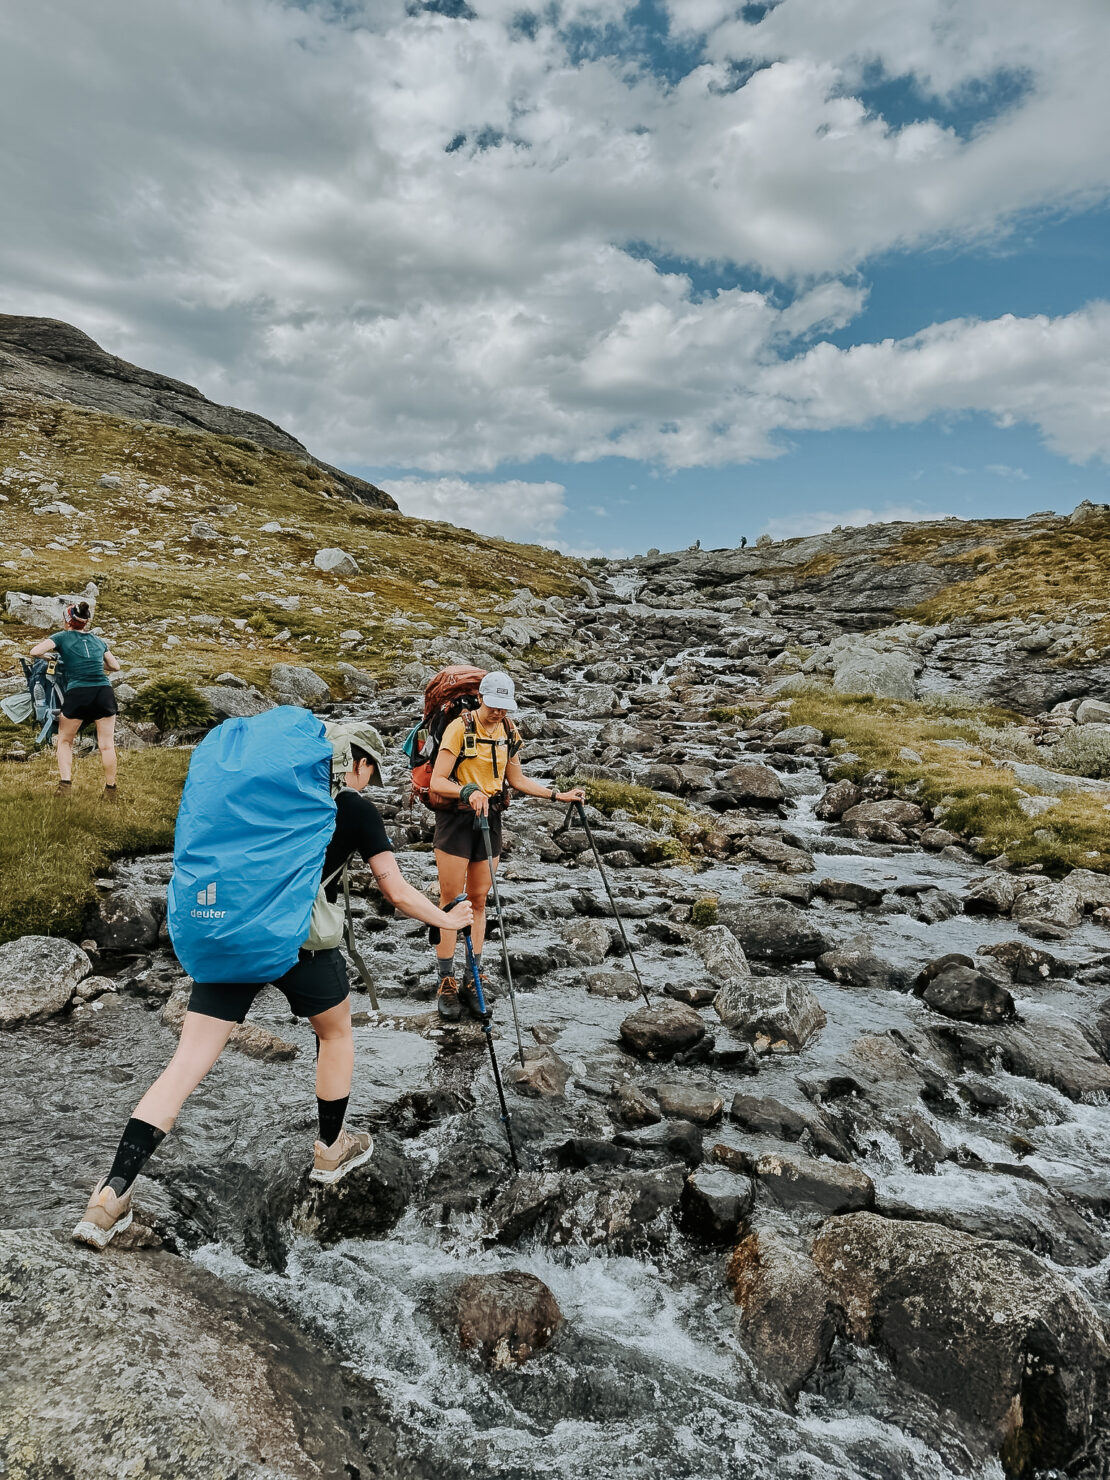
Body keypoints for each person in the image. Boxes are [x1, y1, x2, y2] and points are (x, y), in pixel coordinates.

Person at [73, 723, 474, 1250]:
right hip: (301, 946)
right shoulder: (351, 809)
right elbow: (396, 892)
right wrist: (449, 919)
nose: (368, 780)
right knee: (335, 1034)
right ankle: (330, 1149)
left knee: (185, 1065)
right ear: (354, 762)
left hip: (231, 941)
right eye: (370, 769)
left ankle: (109, 1196)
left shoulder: (256, 801)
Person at [428, 670, 584, 1021]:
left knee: (479, 899)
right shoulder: (459, 728)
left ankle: (473, 976)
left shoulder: (509, 731)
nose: (498, 711)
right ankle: (445, 980)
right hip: (456, 820)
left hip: (491, 818)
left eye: (504, 706)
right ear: (481, 698)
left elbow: (516, 780)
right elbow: (438, 781)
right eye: (493, 705)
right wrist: (468, 791)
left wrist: (558, 795)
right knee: (451, 900)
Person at [29, 601, 121, 799]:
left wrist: (51, 658)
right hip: (103, 692)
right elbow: (115, 667)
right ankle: (111, 790)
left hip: (78, 693)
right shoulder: (98, 641)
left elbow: (34, 652)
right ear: (85, 622)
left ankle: (65, 786)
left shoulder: (61, 637)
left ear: (68, 620)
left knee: (65, 740)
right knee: (107, 744)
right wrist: (93, 664)